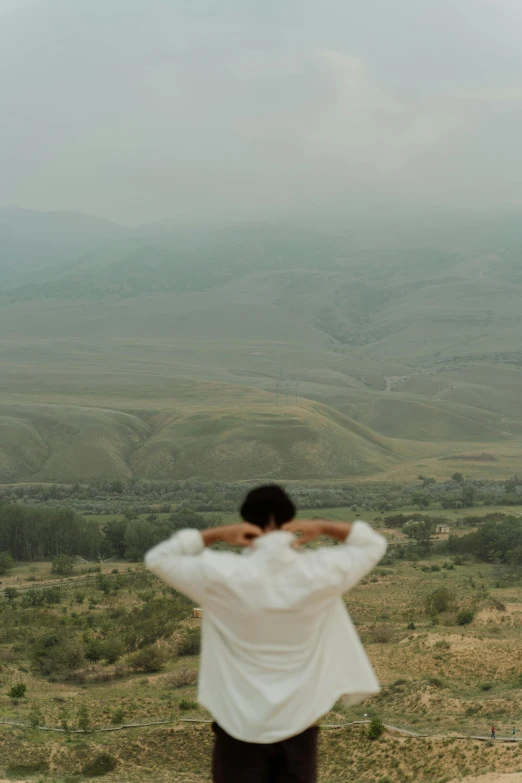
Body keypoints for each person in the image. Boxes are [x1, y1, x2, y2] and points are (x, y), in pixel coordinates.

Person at [145, 484, 387, 783]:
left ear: (248, 523)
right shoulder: (319, 571)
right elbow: (372, 545)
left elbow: (159, 558)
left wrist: (216, 534)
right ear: (290, 521)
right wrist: (322, 526)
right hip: (300, 724)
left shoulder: (221, 575)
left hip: (237, 726)